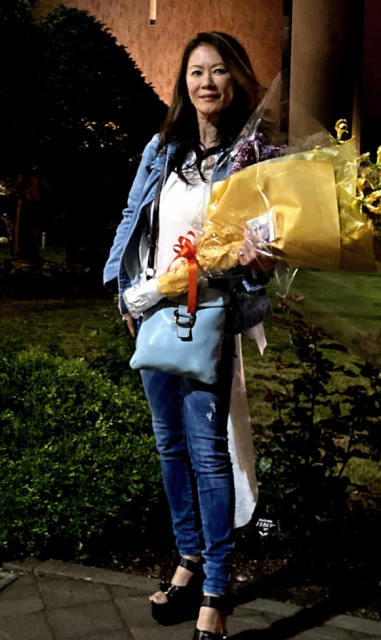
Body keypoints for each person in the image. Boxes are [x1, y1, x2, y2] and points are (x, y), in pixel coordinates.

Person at [103, 32, 273, 640]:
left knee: (207, 452)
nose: (206, 82)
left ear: (236, 79)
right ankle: (189, 557)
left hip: (209, 316)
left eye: (218, 71)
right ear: (184, 83)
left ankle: (217, 589)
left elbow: (266, 247)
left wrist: (259, 261)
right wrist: (122, 289)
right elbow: (133, 218)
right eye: (196, 72)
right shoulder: (162, 148)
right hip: (152, 312)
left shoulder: (252, 158)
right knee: (169, 445)